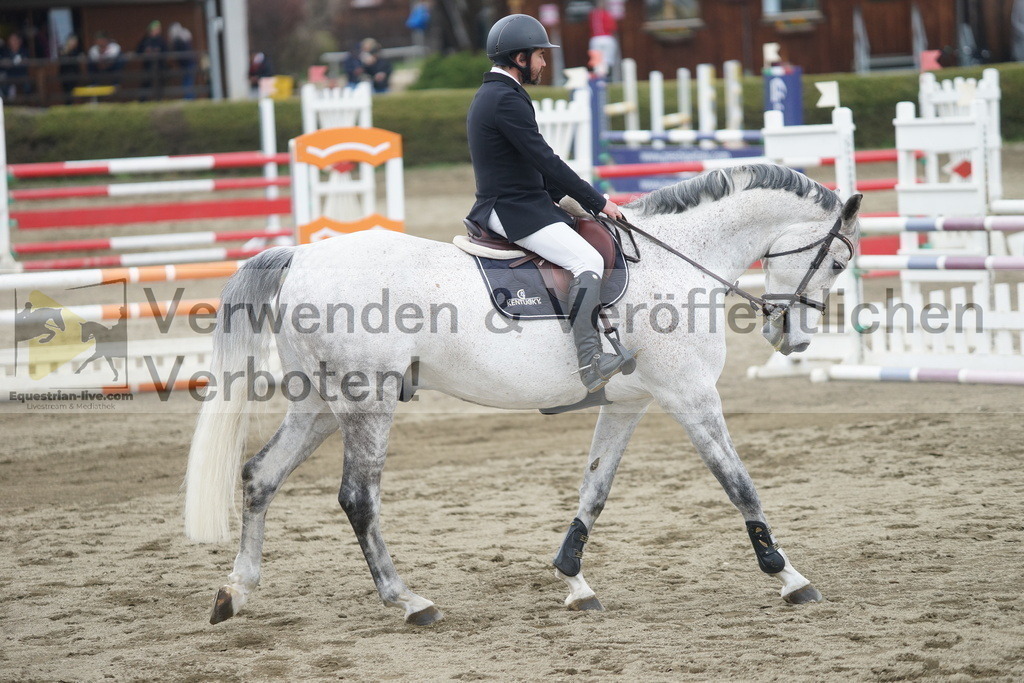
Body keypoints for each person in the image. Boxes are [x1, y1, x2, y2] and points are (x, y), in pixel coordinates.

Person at [466, 14, 635, 394]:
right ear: (520, 58)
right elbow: (546, 159)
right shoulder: (505, 99)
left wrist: (564, 200)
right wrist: (598, 201)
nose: (544, 63)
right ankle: (590, 362)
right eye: (540, 56)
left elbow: (525, 162)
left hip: (524, 201)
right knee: (587, 260)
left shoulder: (497, 94)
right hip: (513, 209)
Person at [135, 20, 168, 99]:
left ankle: (159, 100)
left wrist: (158, 53)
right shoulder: (145, 40)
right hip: (148, 66)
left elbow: (166, 51)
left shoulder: (161, 40)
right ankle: (142, 101)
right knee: (146, 84)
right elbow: (138, 50)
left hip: (159, 67)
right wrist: (146, 52)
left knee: (160, 84)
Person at [588, 0, 619, 80]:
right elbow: (613, 27)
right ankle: (603, 78)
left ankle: (599, 77)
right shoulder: (607, 14)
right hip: (607, 38)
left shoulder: (592, 14)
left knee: (597, 61)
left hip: (595, 39)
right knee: (606, 60)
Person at [167, 22, 196, 99]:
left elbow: (178, 53)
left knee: (187, 82)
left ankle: (189, 99)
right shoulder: (183, 37)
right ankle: (189, 98)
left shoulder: (178, 40)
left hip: (187, 64)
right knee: (187, 82)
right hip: (188, 64)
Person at [0, 32, 32, 101]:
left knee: (28, 85)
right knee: (4, 83)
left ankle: (29, 103)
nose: (13, 42)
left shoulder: (24, 51)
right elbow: (3, 63)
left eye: (15, 40)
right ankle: (7, 103)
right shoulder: (5, 51)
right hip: (9, 74)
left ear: (19, 41)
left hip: (22, 74)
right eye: (11, 40)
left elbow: (27, 61)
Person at [58, 34, 86, 103]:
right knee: (67, 93)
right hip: (65, 75)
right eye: (72, 41)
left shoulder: (77, 50)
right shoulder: (63, 50)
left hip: (75, 74)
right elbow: (62, 60)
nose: (73, 43)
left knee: (74, 92)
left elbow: (82, 57)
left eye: (75, 41)